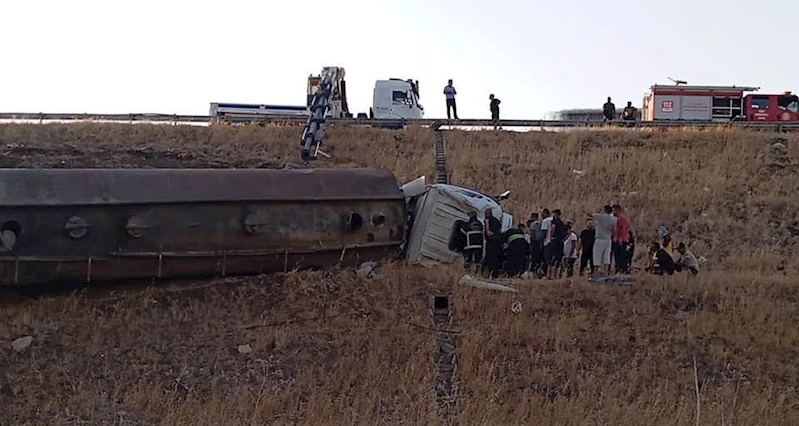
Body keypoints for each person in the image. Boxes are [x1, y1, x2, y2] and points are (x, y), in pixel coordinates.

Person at [587, 205, 616, 276]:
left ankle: (595, 272)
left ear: (605, 210)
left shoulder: (601, 217)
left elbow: (590, 214)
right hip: (608, 239)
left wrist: (584, 210)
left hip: (600, 238)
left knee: (597, 255)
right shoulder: (614, 219)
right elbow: (614, 229)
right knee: (607, 256)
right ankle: (606, 271)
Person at [547, 209, 567, 280]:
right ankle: (556, 275)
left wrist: (551, 237)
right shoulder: (562, 222)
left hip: (555, 240)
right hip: (560, 241)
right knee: (558, 258)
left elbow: (553, 228)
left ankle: (551, 275)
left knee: (551, 257)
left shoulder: (554, 221)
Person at [482, 209, 503, 278]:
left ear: (487, 214)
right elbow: (500, 230)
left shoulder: (487, 220)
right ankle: (495, 274)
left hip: (491, 241)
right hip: (498, 241)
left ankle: (487, 273)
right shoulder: (497, 220)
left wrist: (490, 234)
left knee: (489, 257)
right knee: (496, 258)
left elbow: (488, 232)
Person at [611, 204, 631, 274]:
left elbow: (623, 230)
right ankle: (618, 269)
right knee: (616, 256)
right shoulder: (616, 219)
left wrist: (620, 239)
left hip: (621, 240)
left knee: (621, 256)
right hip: (616, 240)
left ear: (618, 210)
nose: (613, 212)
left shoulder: (622, 219)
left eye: (614, 210)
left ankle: (622, 269)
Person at [540, 208, 553, 276]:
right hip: (554, 242)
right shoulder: (553, 220)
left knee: (547, 258)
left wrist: (541, 241)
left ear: (545, 213)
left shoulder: (545, 221)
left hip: (547, 242)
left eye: (542, 213)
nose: (541, 215)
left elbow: (544, 232)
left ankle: (547, 274)